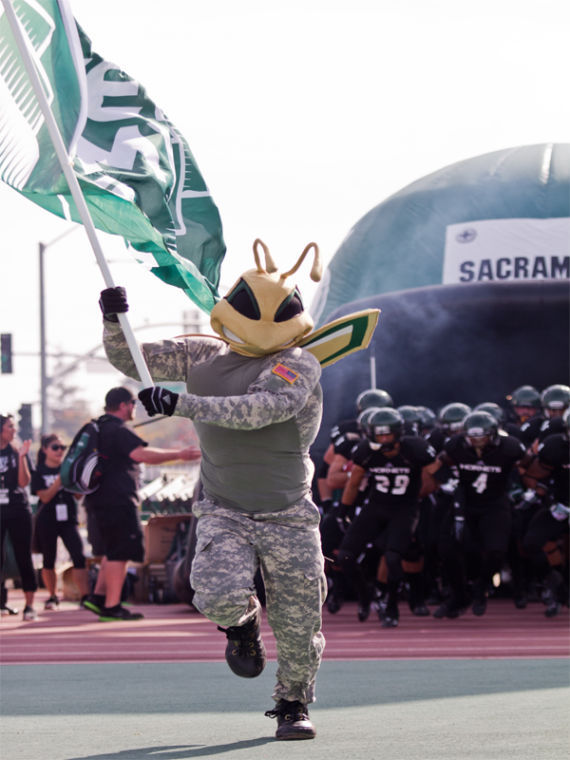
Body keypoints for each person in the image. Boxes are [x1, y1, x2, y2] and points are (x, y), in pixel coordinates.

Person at [98, 240, 377, 740]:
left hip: (288, 514)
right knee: (215, 592)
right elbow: (131, 360)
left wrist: (180, 405)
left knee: (298, 623)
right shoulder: (201, 356)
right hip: (224, 509)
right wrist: (114, 320)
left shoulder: (299, 365)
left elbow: (259, 410)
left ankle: (293, 703)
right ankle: (243, 626)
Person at [82, 387, 201, 622]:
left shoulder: (99, 426)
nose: (135, 408)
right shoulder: (118, 430)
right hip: (118, 500)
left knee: (110, 550)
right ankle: (112, 606)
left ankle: (98, 597)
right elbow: (142, 454)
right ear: (125, 405)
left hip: (98, 499)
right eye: (133, 403)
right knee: (121, 551)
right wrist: (181, 454)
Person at [336, 407, 438, 627]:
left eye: (387, 434)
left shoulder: (415, 449)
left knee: (393, 557)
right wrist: (343, 511)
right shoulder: (365, 450)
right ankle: (365, 596)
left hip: (405, 508)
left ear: (398, 433)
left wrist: (422, 495)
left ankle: (391, 604)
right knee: (345, 556)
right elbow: (354, 482)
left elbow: (435, 475)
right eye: (379, 434)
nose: (383, 439)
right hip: (376, 505)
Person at [426, 411, 528, 618]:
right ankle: (459, 596)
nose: (476, 442)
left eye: (481, 437)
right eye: (472, 437)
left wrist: (523, 486)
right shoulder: (455, 445)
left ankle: (481, 587)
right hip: (465, 501)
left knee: (496, 550)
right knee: (446, 548)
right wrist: (446, 480)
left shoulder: (510, 447)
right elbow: (437, 465)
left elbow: (529, 465)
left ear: (493, 435)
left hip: (495, 502)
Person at [31, 434, 90, 609]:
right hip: (47, 519)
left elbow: (79, 495)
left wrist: (80, 480)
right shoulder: (39, 471)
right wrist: (60, 479)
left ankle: (85, 596)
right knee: (49, 559)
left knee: (79, 555)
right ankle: (52, 596)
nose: (59, 451)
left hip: (68, 519)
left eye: (62, 448)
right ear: (45, 450)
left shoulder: (69, 468)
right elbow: (45, 497)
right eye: (55, 447)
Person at [521, 408, 570, 617]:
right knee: (531, 542)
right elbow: (536, 474)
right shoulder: (555, 445)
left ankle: (563, 590)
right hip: (561, 504)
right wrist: (540, 492)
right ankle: (553, 580)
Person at [0, 413, 38, 620]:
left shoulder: (17, 451)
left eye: (14, 426)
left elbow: (24, 483)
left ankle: (30, 605)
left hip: (18, 509)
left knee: (24, 556)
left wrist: (23, 457)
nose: (14, 430)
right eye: (9, 426)